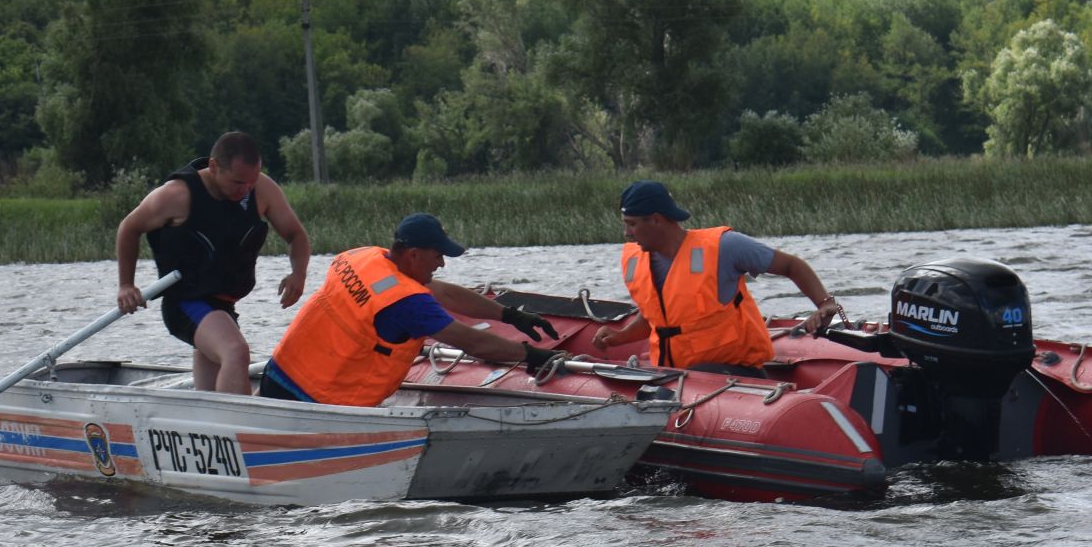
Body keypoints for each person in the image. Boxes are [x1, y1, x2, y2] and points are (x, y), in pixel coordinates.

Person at [258, 213, 562, 407]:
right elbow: (473, 342)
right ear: (414, 255)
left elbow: (442, 291)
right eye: (438, 255)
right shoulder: (407, 302)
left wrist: (510, 315)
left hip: (277, 377)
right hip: (315, 402)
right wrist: (532, 355)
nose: (441, 263)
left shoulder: (363, 257)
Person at [114, 131, 310, 395]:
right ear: (214, 166)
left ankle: (209, 425)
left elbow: (296, 235)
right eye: (238, 182)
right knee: (235, 352)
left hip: (223, 305)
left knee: (214, 382)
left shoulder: (261, 188)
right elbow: (129, 228)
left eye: (251, 183)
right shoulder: (176, 195)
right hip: (186, 302)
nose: (245, 191)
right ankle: (241, 428)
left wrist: (298, 273)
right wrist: (126, 284)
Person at [591, 179, 843, 374]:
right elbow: (659, 319)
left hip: (732, 375)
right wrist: (620, 337)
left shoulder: (725, 247)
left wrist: (825, 304)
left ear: (656, 220)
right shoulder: (638, 260)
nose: (626, 232)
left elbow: (791, 265)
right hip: (675, 375)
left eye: (632, 224)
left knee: (691, 377)